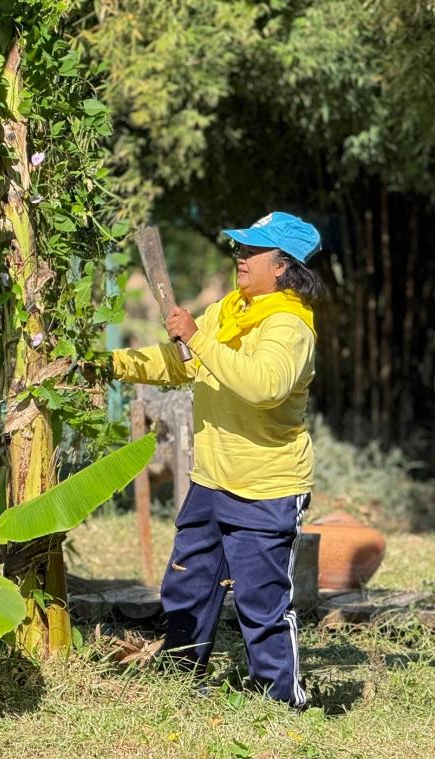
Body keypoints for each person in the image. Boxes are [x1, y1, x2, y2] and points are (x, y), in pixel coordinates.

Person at [108, 211, 324, 708]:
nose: (241, 259)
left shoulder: (289, 326)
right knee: (189, 584)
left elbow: (263, 386)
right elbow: (179, 361)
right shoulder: (231, 309)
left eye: (253, 252)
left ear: (283, 266)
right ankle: (181, 679)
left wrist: (197, 339)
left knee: (261, 602)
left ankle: (280, 700)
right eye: (240, 250)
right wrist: (112, 365)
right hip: (212, 479)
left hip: (266, 485)